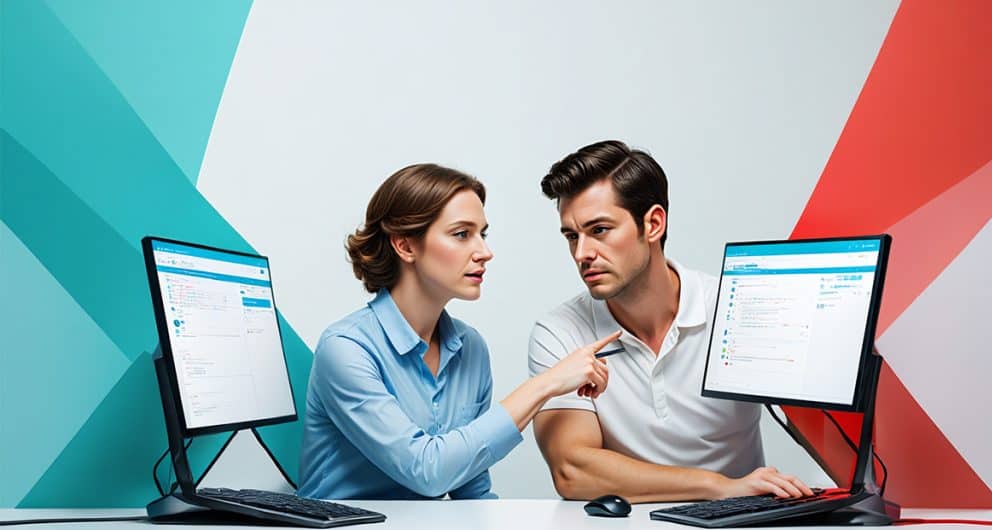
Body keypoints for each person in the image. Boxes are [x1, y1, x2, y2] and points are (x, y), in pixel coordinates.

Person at [298, 163, 620, 500]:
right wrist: (547, 384)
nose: (484, 252)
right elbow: (427, 471)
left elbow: (472, 491)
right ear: (405, 246)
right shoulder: (346, 349)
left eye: (483, 233)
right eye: (462, 234)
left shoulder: (470, 348)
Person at [530, 140, 814, 503]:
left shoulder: (734, 306)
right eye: (572, 236)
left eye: (599, 230)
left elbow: (824, 430)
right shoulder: (560, 331)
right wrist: (719, 487)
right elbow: (573, 471)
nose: (582, 254)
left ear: (653, 223)